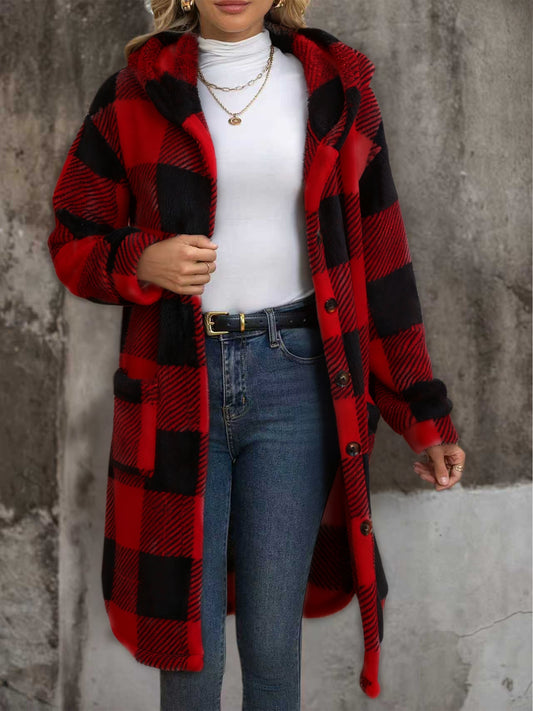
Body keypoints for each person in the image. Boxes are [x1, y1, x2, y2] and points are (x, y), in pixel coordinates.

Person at [47, 0, 466, 708]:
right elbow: (71, 237)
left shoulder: (337, 93)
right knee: (189, 653)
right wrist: (139, 259)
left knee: (273, 648)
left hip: (296, 382)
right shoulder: (132, 94)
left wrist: (423, 414)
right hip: (176, 387)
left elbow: (381, 262)